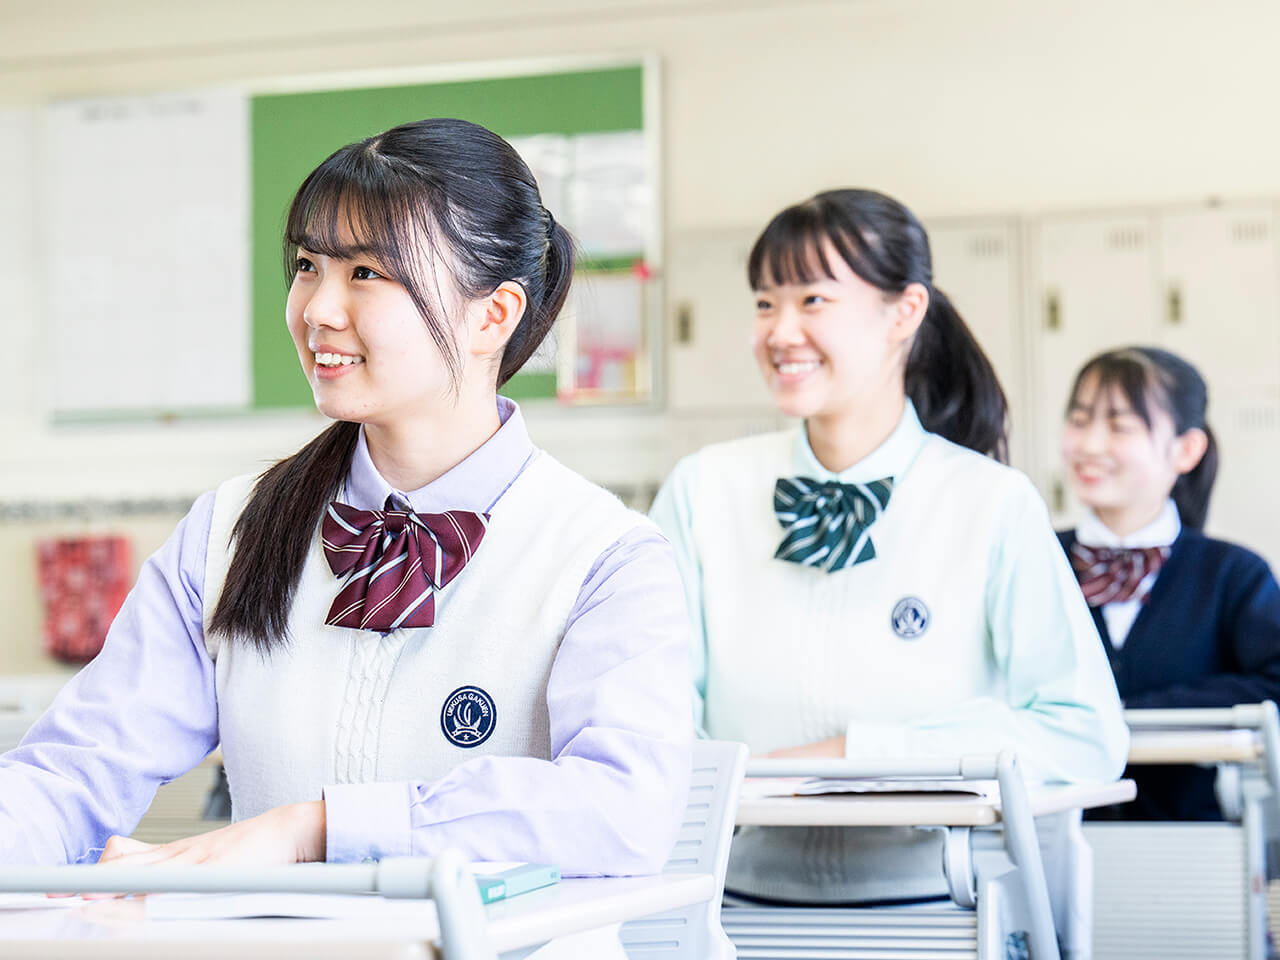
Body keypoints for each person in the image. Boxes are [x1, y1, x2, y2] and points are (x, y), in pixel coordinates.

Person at [0, 118, 692, 873]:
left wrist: (317, 829)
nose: (317, 310)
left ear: (493, 315)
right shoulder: (230, 528)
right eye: (307, 266)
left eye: (366, 272)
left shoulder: (603, 556)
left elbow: (623, 813)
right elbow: (75, 769)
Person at [649, 188, 1128, 905]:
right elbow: (650, 707)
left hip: (941, 908)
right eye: (764, 302)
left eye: (813, 300)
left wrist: (852, 758)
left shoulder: (990, 501)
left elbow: (1084, 732)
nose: (780, 331)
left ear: (903, 313)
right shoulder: (702, 490)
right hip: (725, 906)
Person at [1059, 346, 1280, 820]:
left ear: (1187, 449)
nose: (1090, 445)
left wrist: (1127, 711)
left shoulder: (1233, 574)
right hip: (1040, 845)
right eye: (1079, 421)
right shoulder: (1034, 558)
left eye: (1119, 426)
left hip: (1193, 852)